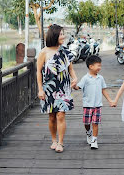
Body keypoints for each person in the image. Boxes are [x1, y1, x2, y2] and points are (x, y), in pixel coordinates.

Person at [37, 24, 78, 153]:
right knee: (52, 117)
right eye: (61, 34)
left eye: (63, 34)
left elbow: (70, 68)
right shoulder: (44, 52)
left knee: (61, 115)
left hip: (63, 87)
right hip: (49, 88)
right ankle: (53, 140)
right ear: (54, 35)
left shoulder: (65, 51)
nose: (63, 36)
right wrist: (40, 89)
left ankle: (61, 142)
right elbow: (38, 72)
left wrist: (75, 78)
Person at [72, 55, 113, 149]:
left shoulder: (101, 78)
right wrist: (74, 86)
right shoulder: (85, 78)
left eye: (100, 65)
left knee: (95, 123)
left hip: (97, 105)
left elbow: (103, 90)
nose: (100, 67)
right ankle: (88, 133)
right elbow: (78, 87)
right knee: (87, 123)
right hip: (87, 105)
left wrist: (110, 100)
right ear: (91, 66)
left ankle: (94, 140)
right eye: (98, 65)